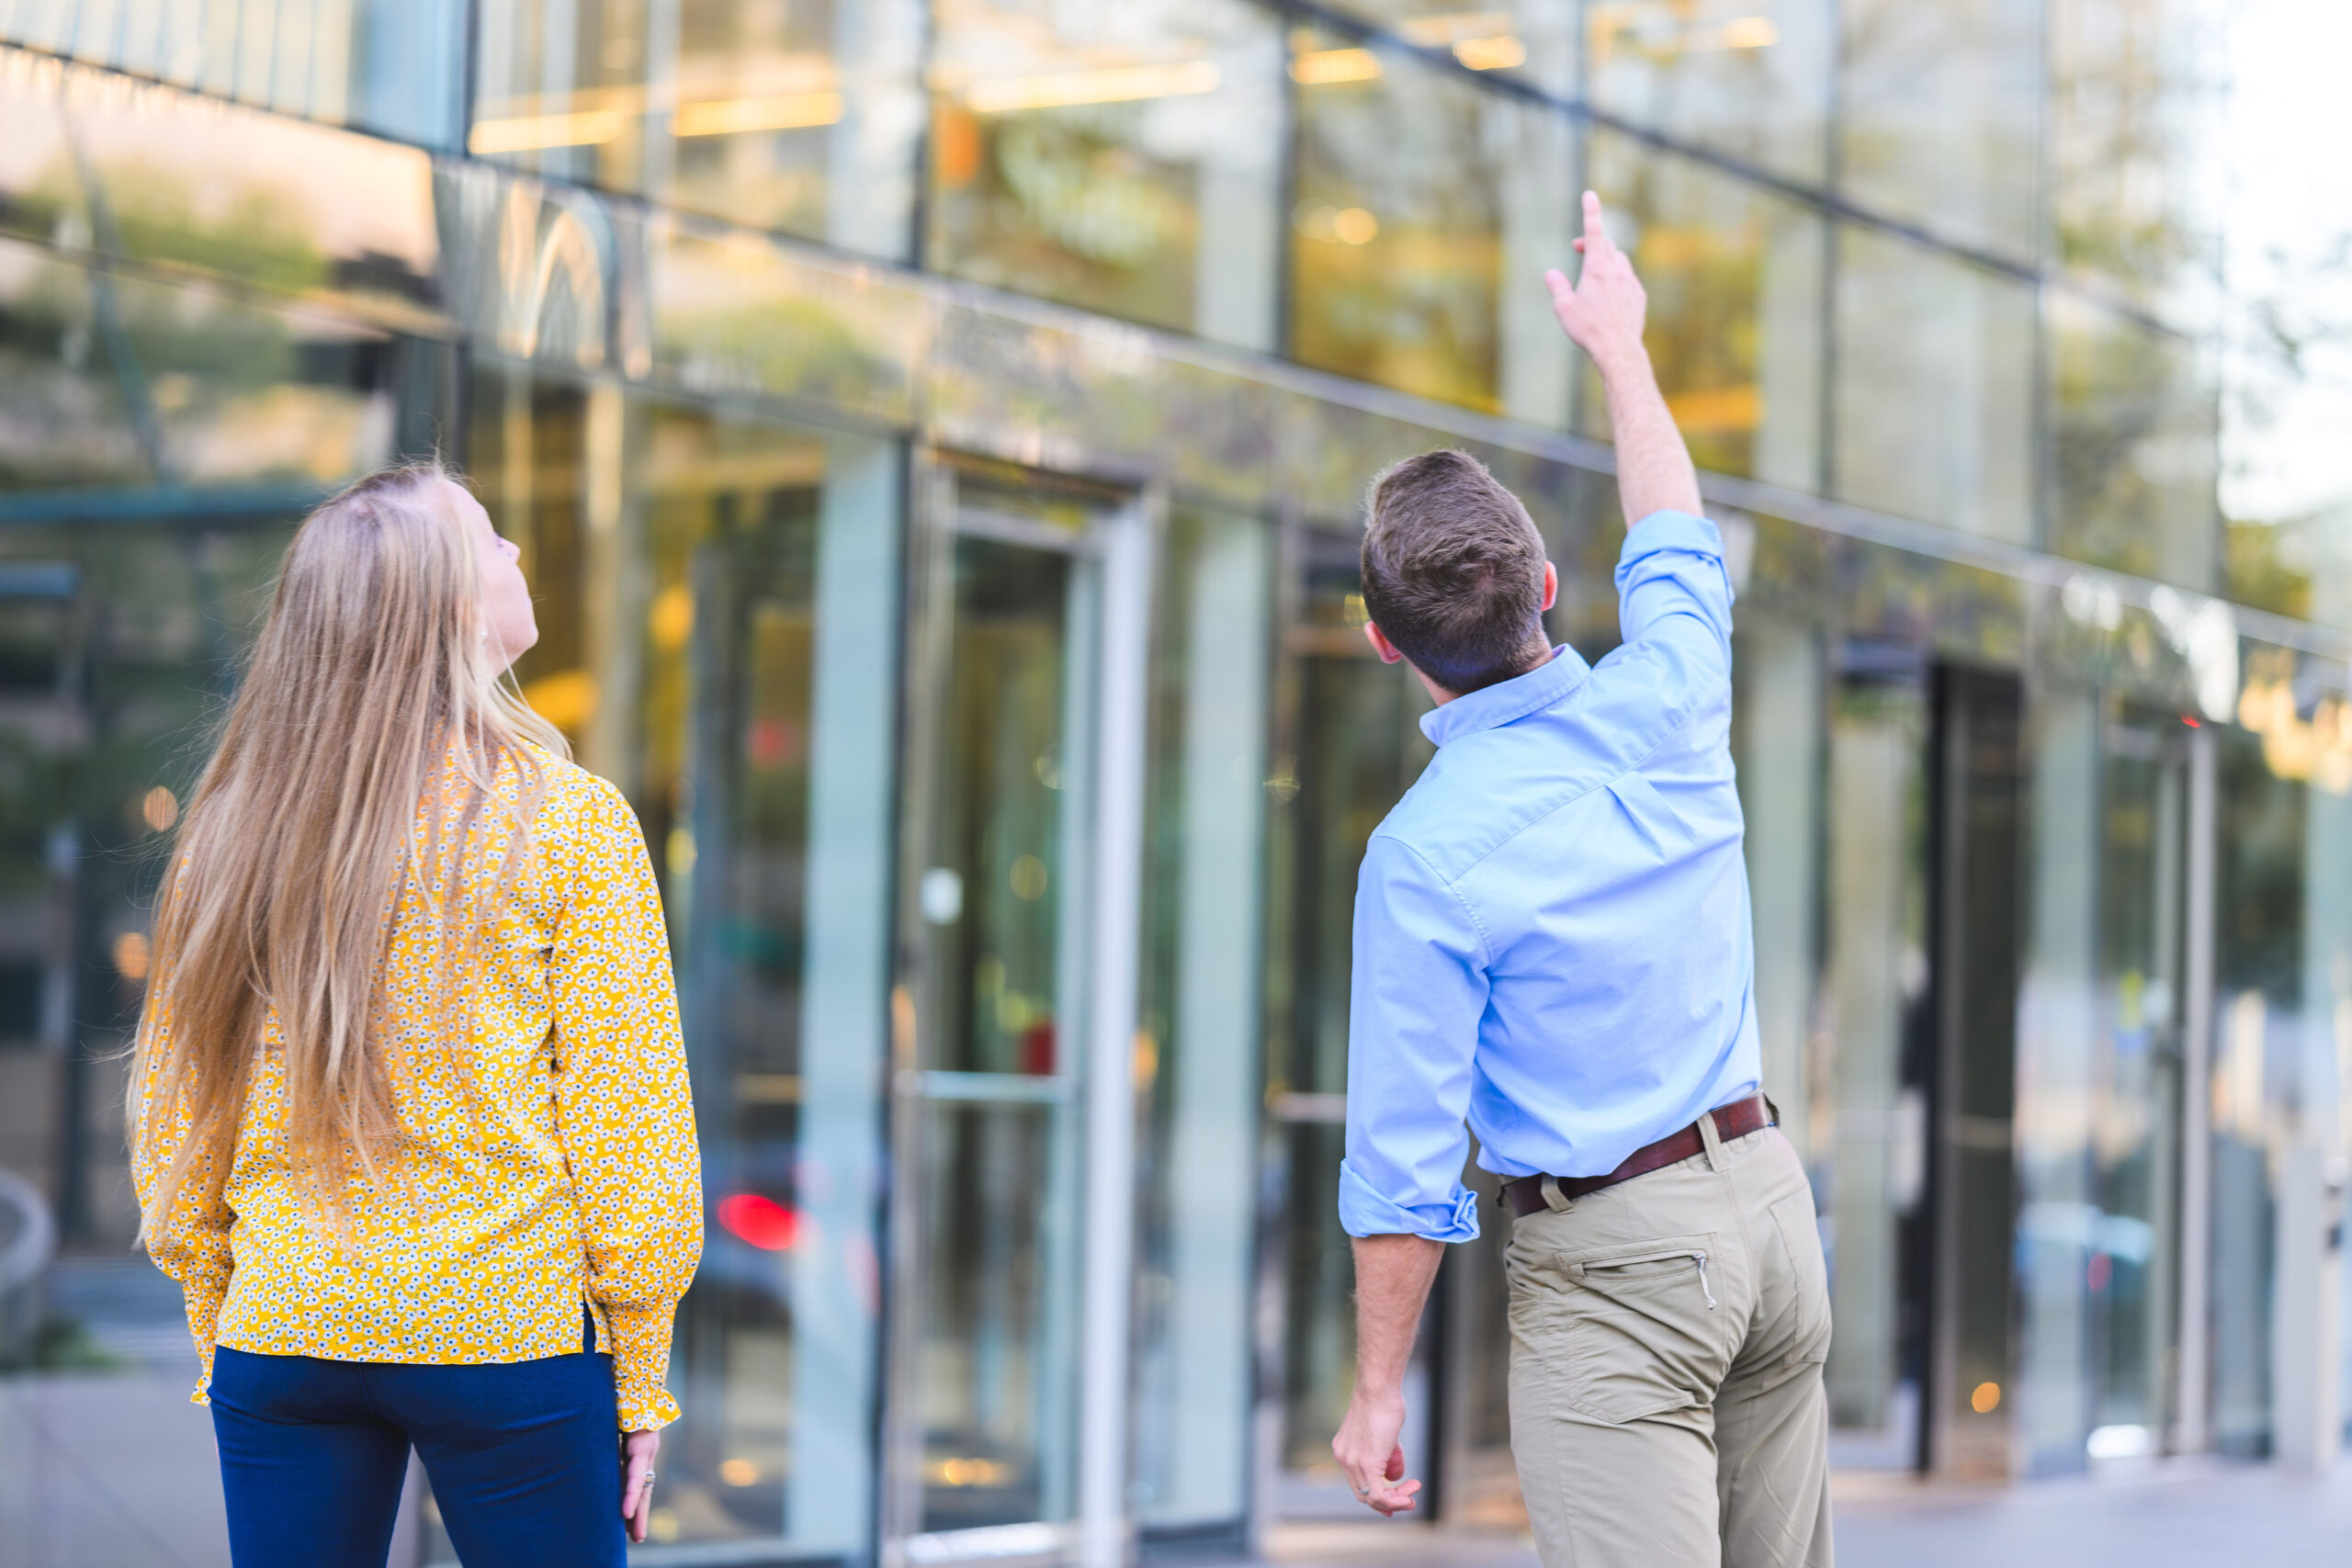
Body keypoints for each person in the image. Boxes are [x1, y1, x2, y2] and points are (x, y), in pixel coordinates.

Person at [1329, 192, 1833, 1568]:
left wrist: (1379, 1385)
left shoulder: (1426, 855)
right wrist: (1621, 348)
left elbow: (1407, 1155)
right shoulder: (1672, 693)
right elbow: (1671, 527)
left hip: (1621, 1270)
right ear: (1548, 581)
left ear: (1384, 643)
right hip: (1776, 1213)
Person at [130, 464, 703, 1568]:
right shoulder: (569, 823)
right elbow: (630, 1129)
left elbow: (177, 1109)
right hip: (505, 1337)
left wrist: (224, 1313)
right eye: (491, 540)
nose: (518, 555)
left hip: (286, 1326)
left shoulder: (233, 828)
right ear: (443, 605)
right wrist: (639, 1371)